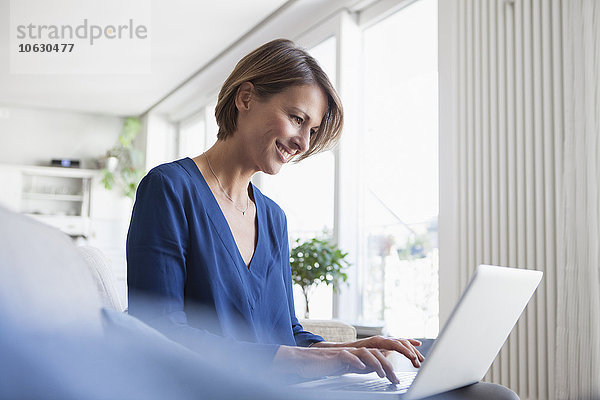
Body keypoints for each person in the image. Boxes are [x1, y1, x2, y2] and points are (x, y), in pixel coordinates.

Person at [126, 39, 519, 399]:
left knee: (486, 394)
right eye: (297, 119)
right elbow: (159, 333)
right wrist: (314, 361)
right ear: (245, 98)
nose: (304, 143)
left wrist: (347, 350)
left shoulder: (273, 218)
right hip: (219, 390)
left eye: (311, 130)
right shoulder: (169, 188)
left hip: (289, 387)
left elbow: (286, 332)